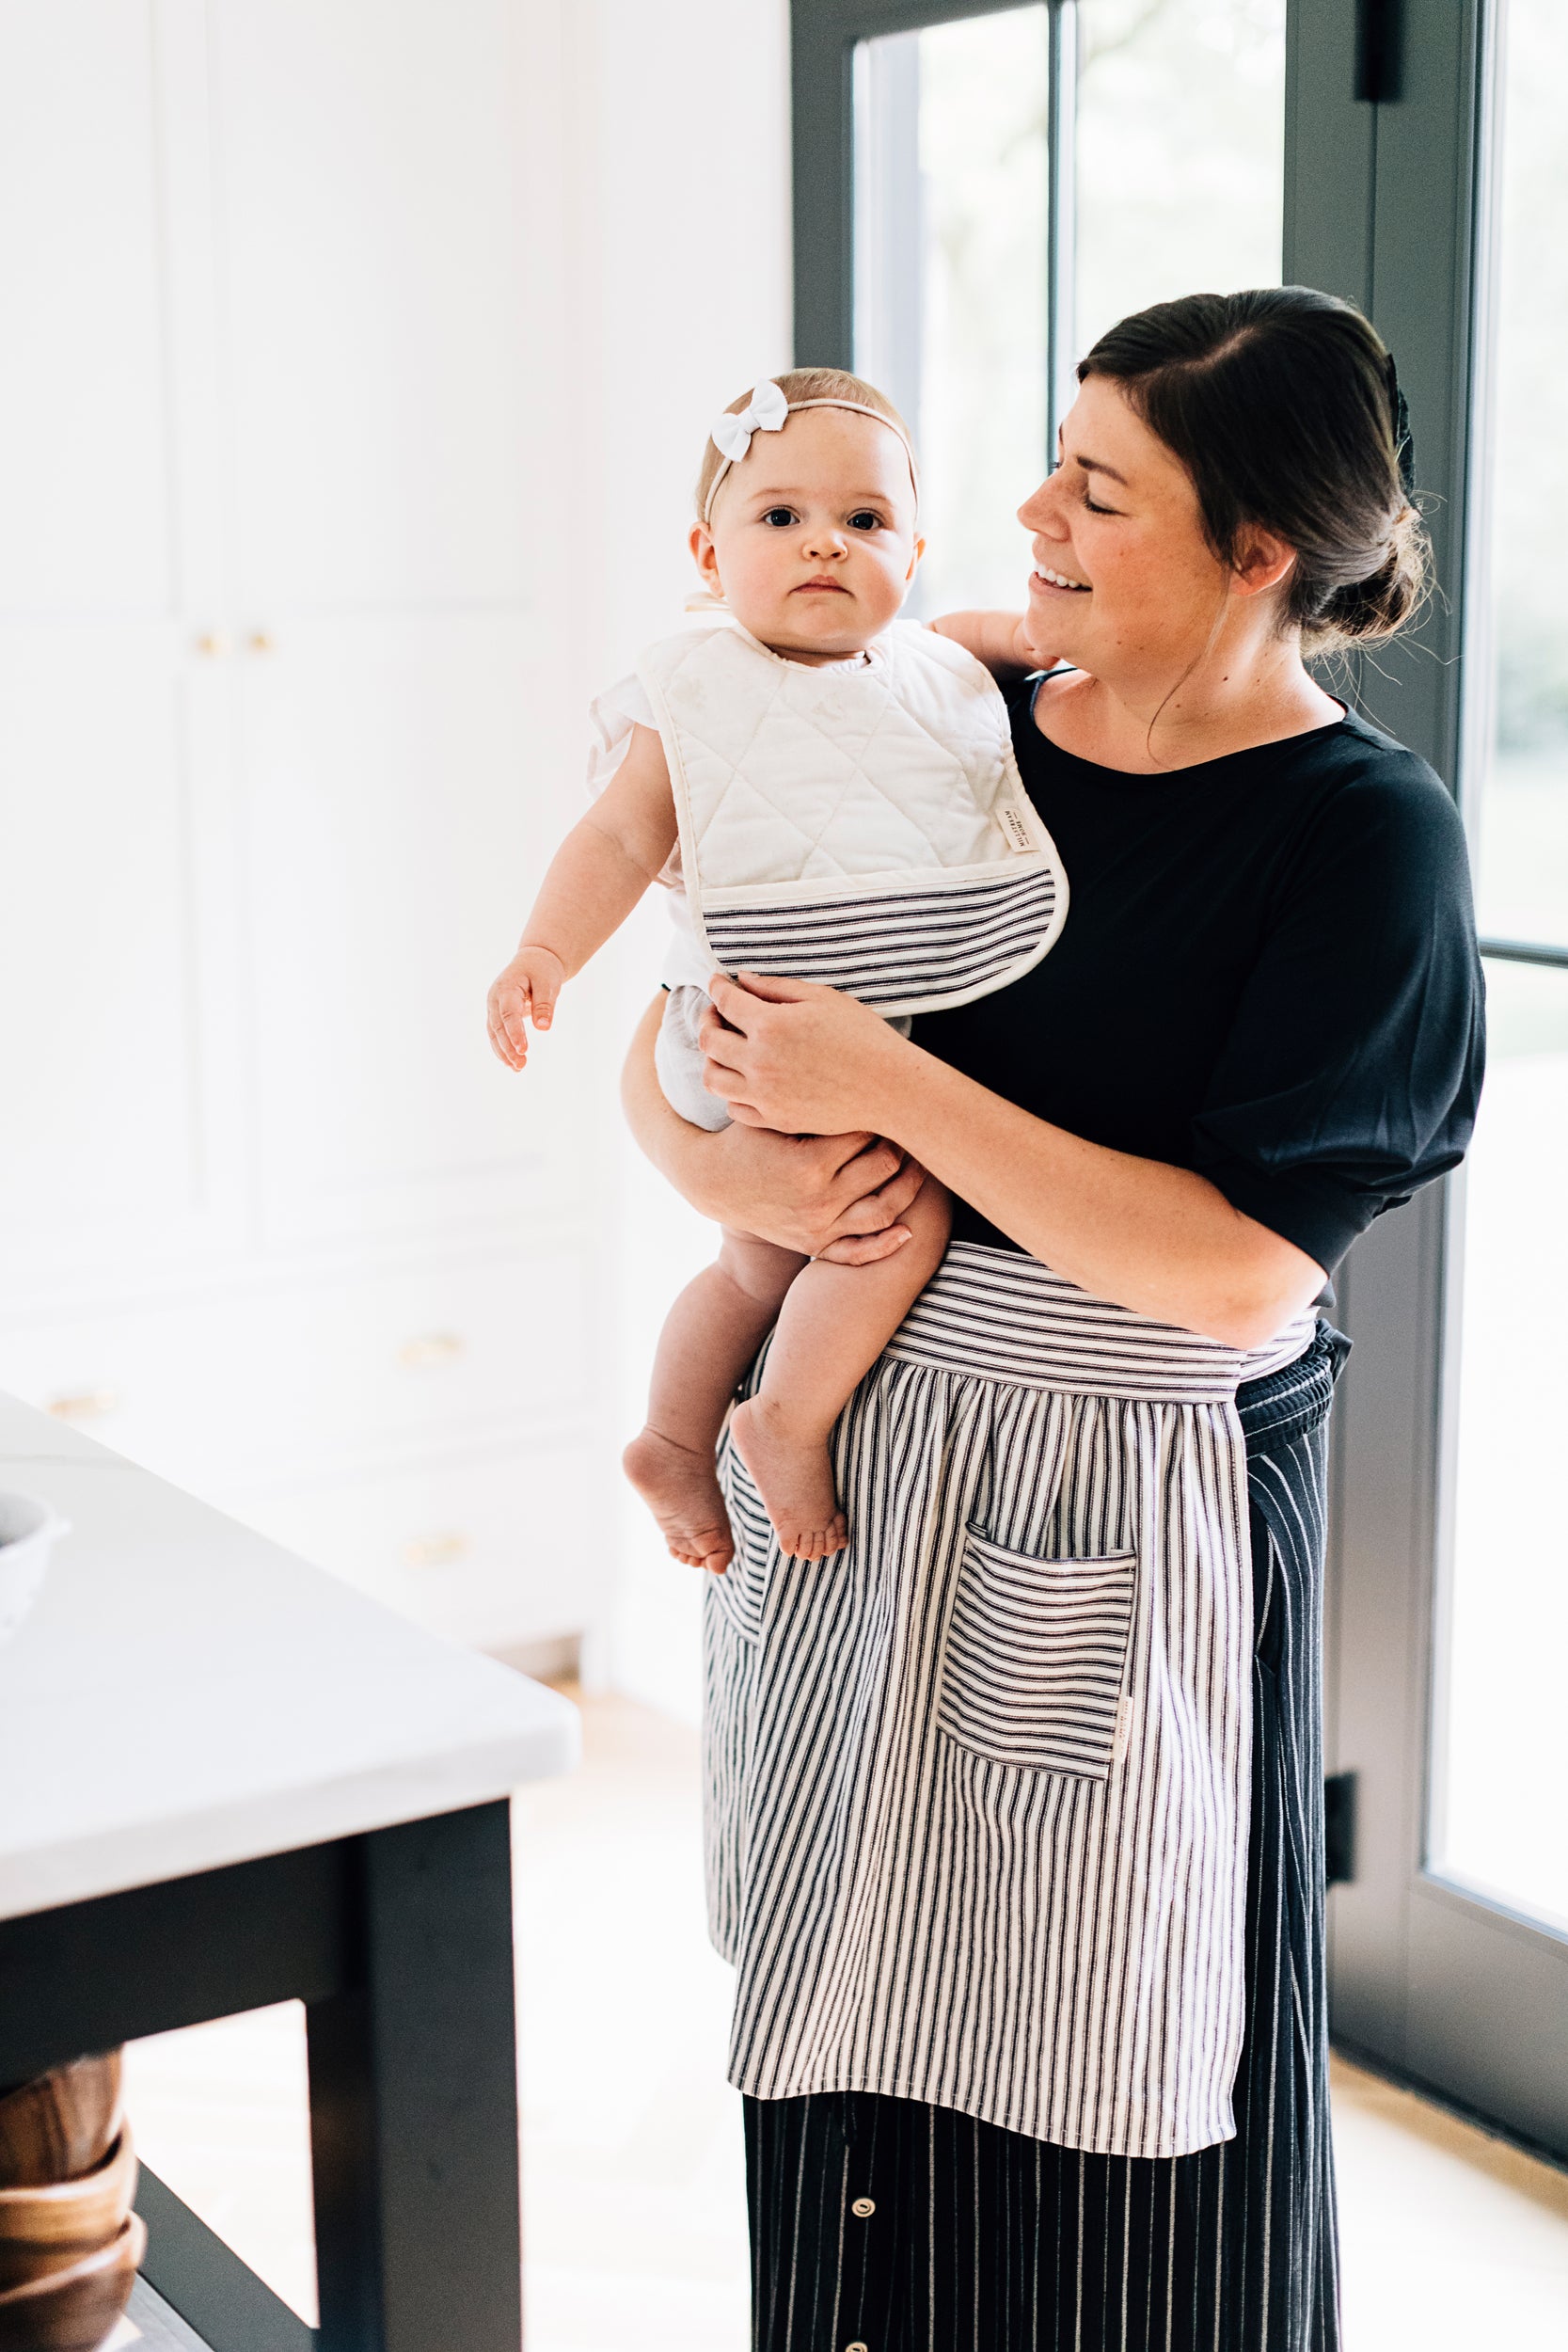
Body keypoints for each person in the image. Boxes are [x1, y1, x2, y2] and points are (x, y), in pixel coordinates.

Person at [622, 290, 1485, 2350]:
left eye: (1095, 488)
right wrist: (727, 1170)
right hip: (848, 1459)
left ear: (1254, 551)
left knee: (1122, 2093)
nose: (1023, 513)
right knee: (846, 2051)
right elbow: (691, 1032)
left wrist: (898, 1094)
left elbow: (1231, 1267)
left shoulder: (1356, 839)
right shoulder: (936, 722)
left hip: (1122, 1509)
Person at [487, 368, 1064, 1568]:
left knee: (755, 1258)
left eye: (864, 523)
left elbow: (987, 642)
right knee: (892, 1223)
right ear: (708, 550)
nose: (824, 547)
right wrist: (547, 952)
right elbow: (616, 837)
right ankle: (784, 1423)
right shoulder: (689, 691)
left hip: (819, 1038)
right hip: (742, 1025)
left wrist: (1041, 637)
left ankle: (666, 1435)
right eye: (779, 517)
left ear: (913, 550)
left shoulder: (928, 673)